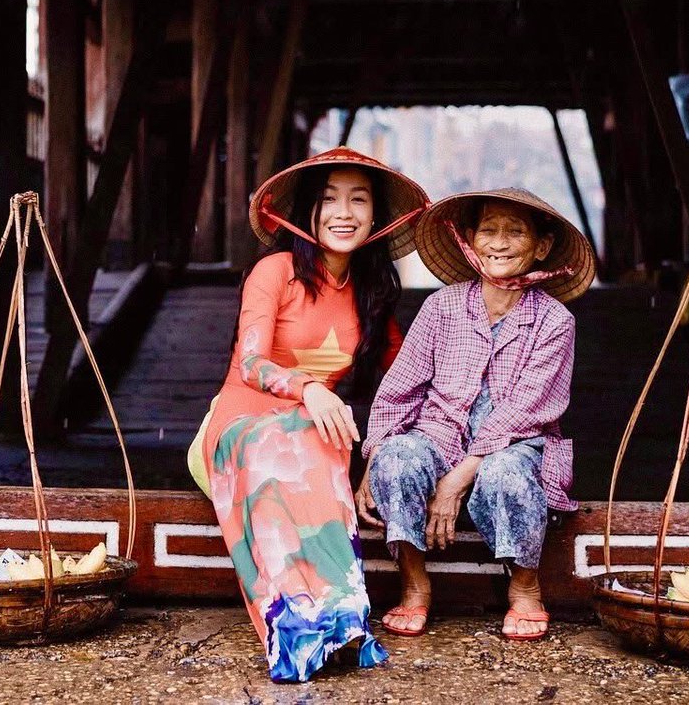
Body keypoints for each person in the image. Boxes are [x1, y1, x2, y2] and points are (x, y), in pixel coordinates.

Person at [185, 146, 429, 682]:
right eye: (329, 200)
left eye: (358, 200)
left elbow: (408, 380)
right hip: (237, 428)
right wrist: (310, 389)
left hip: (310, 437)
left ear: (376, 216)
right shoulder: (275, 271)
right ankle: (295, 631)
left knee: (321, 439)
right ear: (307, 213)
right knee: (301, 433)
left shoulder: (372, 291)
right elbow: (249, 363)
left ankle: (342, 622)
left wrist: (384, 455)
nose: (344, 212)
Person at [356, 188, 595, 641]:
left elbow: (523, 412)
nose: (499, 243)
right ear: (469, 239)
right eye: (489, 230)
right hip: (439, 436)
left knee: (506, 473)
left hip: (515, 445)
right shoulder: (441, 307)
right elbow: (398, 392)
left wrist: (457, 478)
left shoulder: (555, 321)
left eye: (515, 232)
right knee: (397, 457)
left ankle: (524, 587)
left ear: (541, 247)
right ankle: (413, 581)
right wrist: (375, 457)